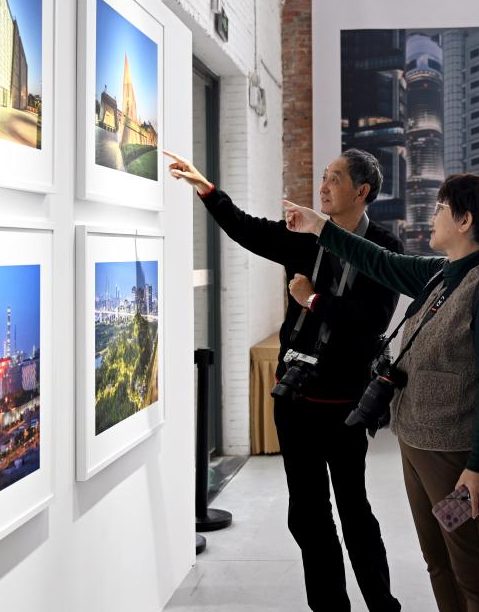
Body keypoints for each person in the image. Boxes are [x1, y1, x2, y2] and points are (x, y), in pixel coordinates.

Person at [166, 148, 402, 612]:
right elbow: (247, 229)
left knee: (354, 512)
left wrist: (313, 300)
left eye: (335, 179)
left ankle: (382, 605)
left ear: (362, 191)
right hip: (295, 399)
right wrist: (206, 189)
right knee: (308, 517)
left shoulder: (384, 246)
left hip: (346, 405)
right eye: (324, 176)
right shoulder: (306, 235)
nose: (323, 187)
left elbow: (372, 319)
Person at [284, 173, 479, 612]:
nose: (432, 216)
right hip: (417, 444)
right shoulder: (442, 274)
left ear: (465, 221)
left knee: (473, 573)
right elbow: (379, 260)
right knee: (439, 562)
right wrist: (321, 227)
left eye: (441, 209)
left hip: (453, 457)